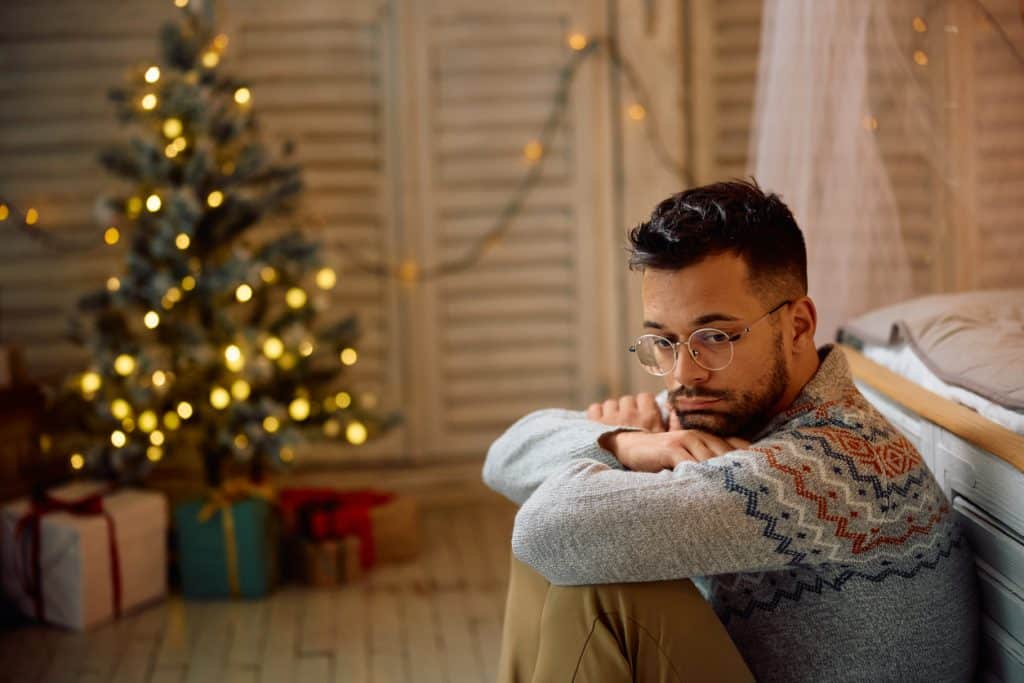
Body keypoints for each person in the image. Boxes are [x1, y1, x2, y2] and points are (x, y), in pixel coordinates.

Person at [483, 180, 979, 682]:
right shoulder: (724, 406)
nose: (683, 373)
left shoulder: (821, 467)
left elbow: (542, 529)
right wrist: (629, 442)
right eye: (663, 341)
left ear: (799, 327)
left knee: (595, 579)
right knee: (581, 550)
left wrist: (626, 455)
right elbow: (504, 457)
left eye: (715, 337)